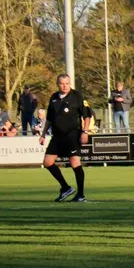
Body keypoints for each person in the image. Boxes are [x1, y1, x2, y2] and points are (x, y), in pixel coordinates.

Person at [39, 74, 92, 203]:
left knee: (75, 163)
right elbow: (50, 119)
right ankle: (65, 187)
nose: (65, 86)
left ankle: (81, 194)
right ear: (58, 84)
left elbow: (87, 115)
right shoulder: (54, 97)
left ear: (70, 83)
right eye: (62, 83)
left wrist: (85, 131)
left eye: (67, 83)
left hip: (72, 135)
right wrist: (43, 134)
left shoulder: (77, 96)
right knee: (47, 162)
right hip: (57, 136)